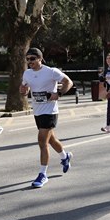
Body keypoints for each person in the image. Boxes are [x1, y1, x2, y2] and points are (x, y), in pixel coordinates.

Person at [20, 48, 74, 188]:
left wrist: (59, 94)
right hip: (37, 111)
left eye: (32, 58)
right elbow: (25, 88)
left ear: (40, 58)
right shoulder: (27, 73)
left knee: (42, 141)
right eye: (27, 59)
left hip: (50, 111)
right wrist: (24, 91)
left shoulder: (51, 71)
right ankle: (65, 156)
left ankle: (43, 174)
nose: (29, 61)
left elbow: (68, 82)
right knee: (51, 140)